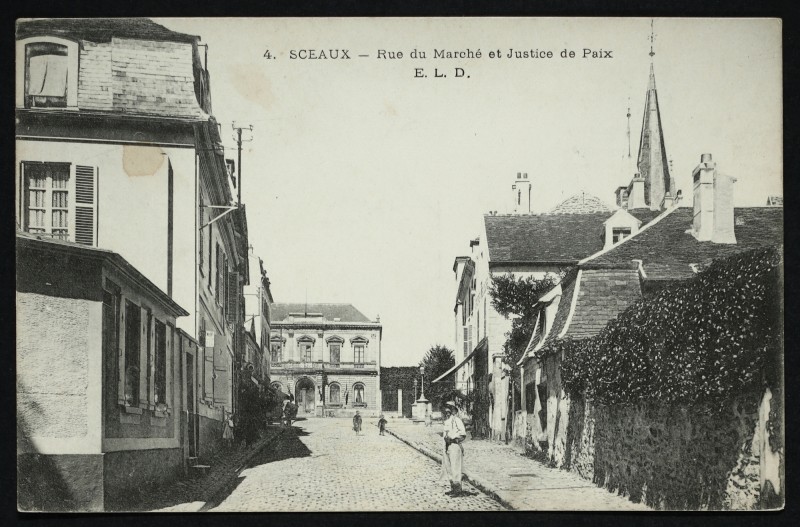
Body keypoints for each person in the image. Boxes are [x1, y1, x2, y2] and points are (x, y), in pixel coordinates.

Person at [441, 401, 467, 497]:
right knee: (449, 468)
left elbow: (463, 434)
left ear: (453, 410)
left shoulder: (457, 420)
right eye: (446, 408)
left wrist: (454, 438)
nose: (447, 411)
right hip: (447, 446)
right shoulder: (446, 422)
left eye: (449, 408)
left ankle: (458, 490)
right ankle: (453, 488)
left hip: (454, 446)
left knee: (456, 467)